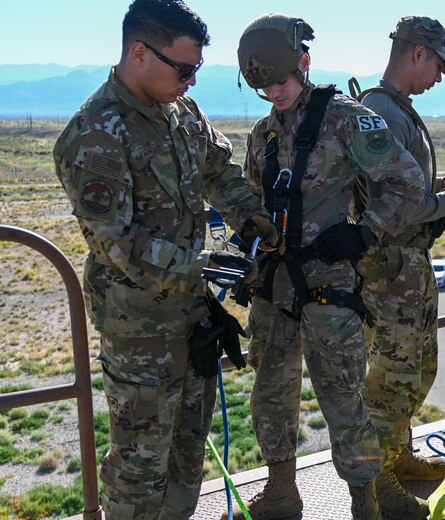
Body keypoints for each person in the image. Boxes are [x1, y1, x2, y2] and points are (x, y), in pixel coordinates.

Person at [52, 1, 265, 517]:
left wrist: (255, 222)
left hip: (191, 316)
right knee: (139, 469)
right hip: (140, 334)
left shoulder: (181, 112)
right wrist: (206, 265)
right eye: (184, 68)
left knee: (189, 455)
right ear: (140, 53)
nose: (192, 81)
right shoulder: (96, 133)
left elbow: (220, 171)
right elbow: (116, 242)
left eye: (197, 70)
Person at [228, 13, 426, 520]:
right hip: (276, 283)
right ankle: (281, 493)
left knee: (343, 399)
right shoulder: (262, 134)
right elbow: (255, 199)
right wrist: (247, 251)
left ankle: (367, 500)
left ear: (305, 62)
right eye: (263, 87)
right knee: (270, 395)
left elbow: (407, 184)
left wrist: (365, 231)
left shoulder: (348, 119)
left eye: (280, 81)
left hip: (329, 282)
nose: (274, 93)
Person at [352, 15, 445, 519]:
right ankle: (377, 483)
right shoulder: (378, 112)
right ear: (418, 53)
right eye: (439, 66)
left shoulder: (396, 110)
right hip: (389, 267)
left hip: (408, 263)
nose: (439, 79)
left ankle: (396, 457)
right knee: (390, 379)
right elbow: (400, 205)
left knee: (416, 369)